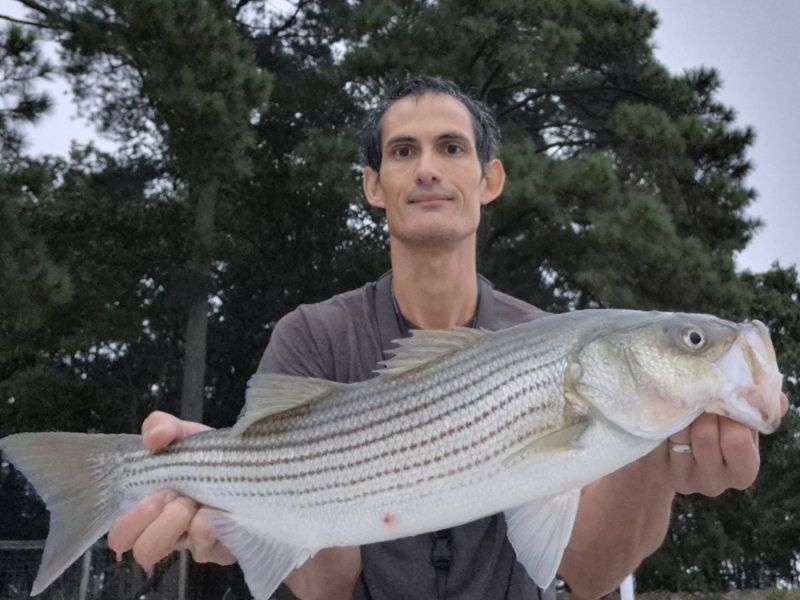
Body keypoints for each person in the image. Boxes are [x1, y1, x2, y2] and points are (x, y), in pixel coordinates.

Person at [107, 76, 781, 600]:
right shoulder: (311, 335)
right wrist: (250, 513)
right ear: (374, 187)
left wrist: (656, 457)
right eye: (404, 151)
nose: (428, 168)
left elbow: (591, 572)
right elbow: (325, 589)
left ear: (490, 180)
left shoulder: (542, 337)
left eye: (451, 148)